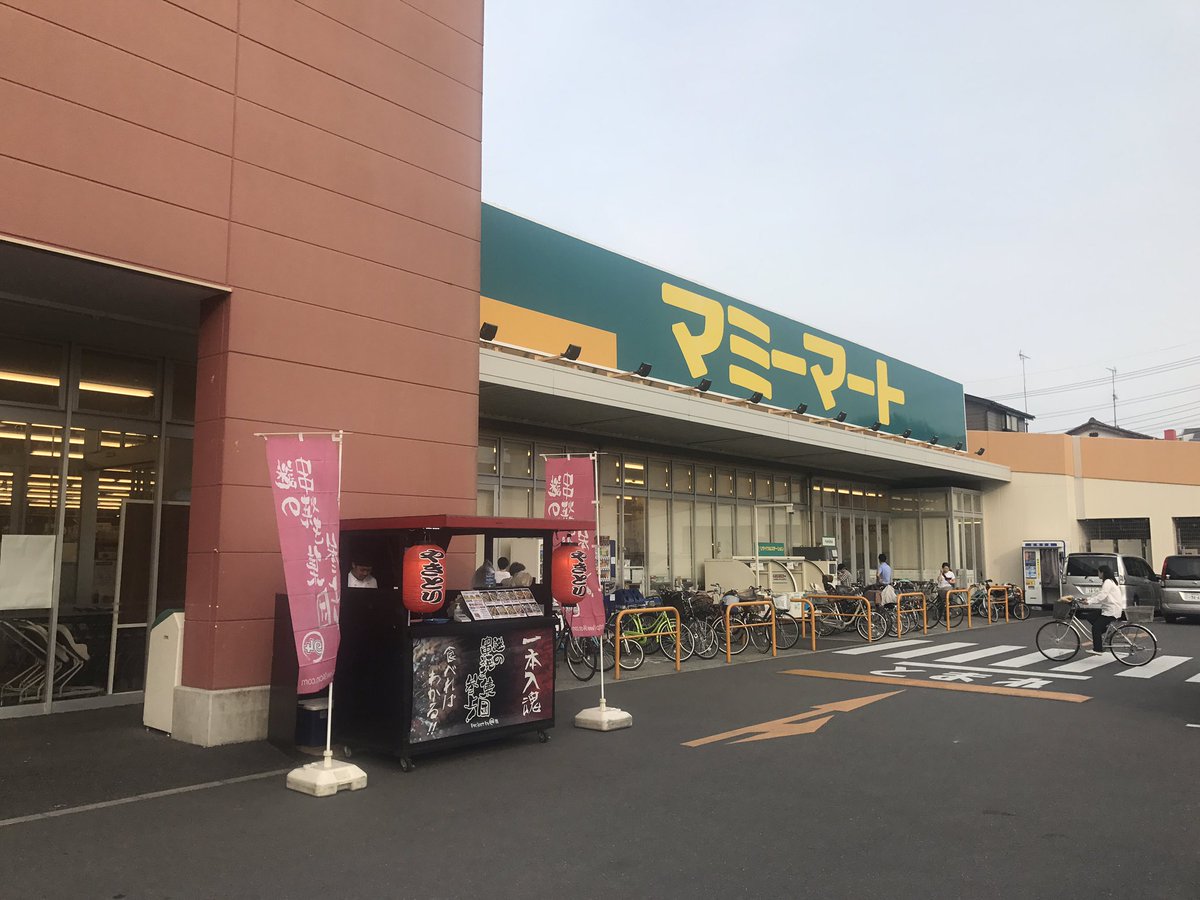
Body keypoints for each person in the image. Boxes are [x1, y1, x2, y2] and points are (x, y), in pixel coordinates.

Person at [1085, 564, 1126, 654]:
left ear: (1102, 573)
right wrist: (1087, 599)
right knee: (1090, 616)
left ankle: (1098, 649)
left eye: (1099, 572)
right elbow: (1099, 593)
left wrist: (1089, 602)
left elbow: (1102, 596)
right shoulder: (1110, 581)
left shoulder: (1108, 582)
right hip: (1109, 609)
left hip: (1111, 610)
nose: (1098, 574)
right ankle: (1106, 631)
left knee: (1096, 628)